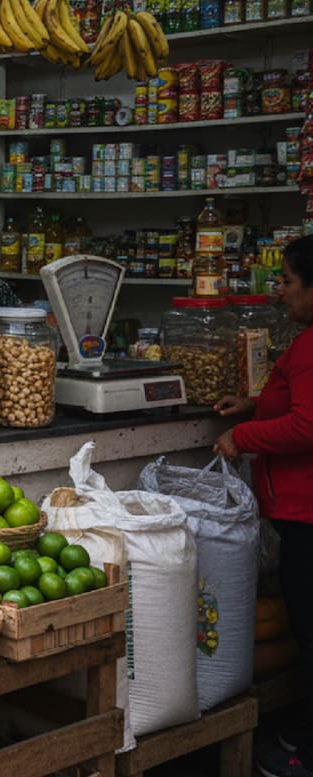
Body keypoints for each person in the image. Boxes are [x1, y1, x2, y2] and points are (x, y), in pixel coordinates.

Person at [213, 234, 313, 777]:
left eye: (288, 282)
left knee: (310, 629)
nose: (279, 292)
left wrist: (244, 435)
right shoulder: (305, 340)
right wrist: (256, 402)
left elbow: (308, 424)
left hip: (307, 513)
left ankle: (304, 751)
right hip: (301, 509)